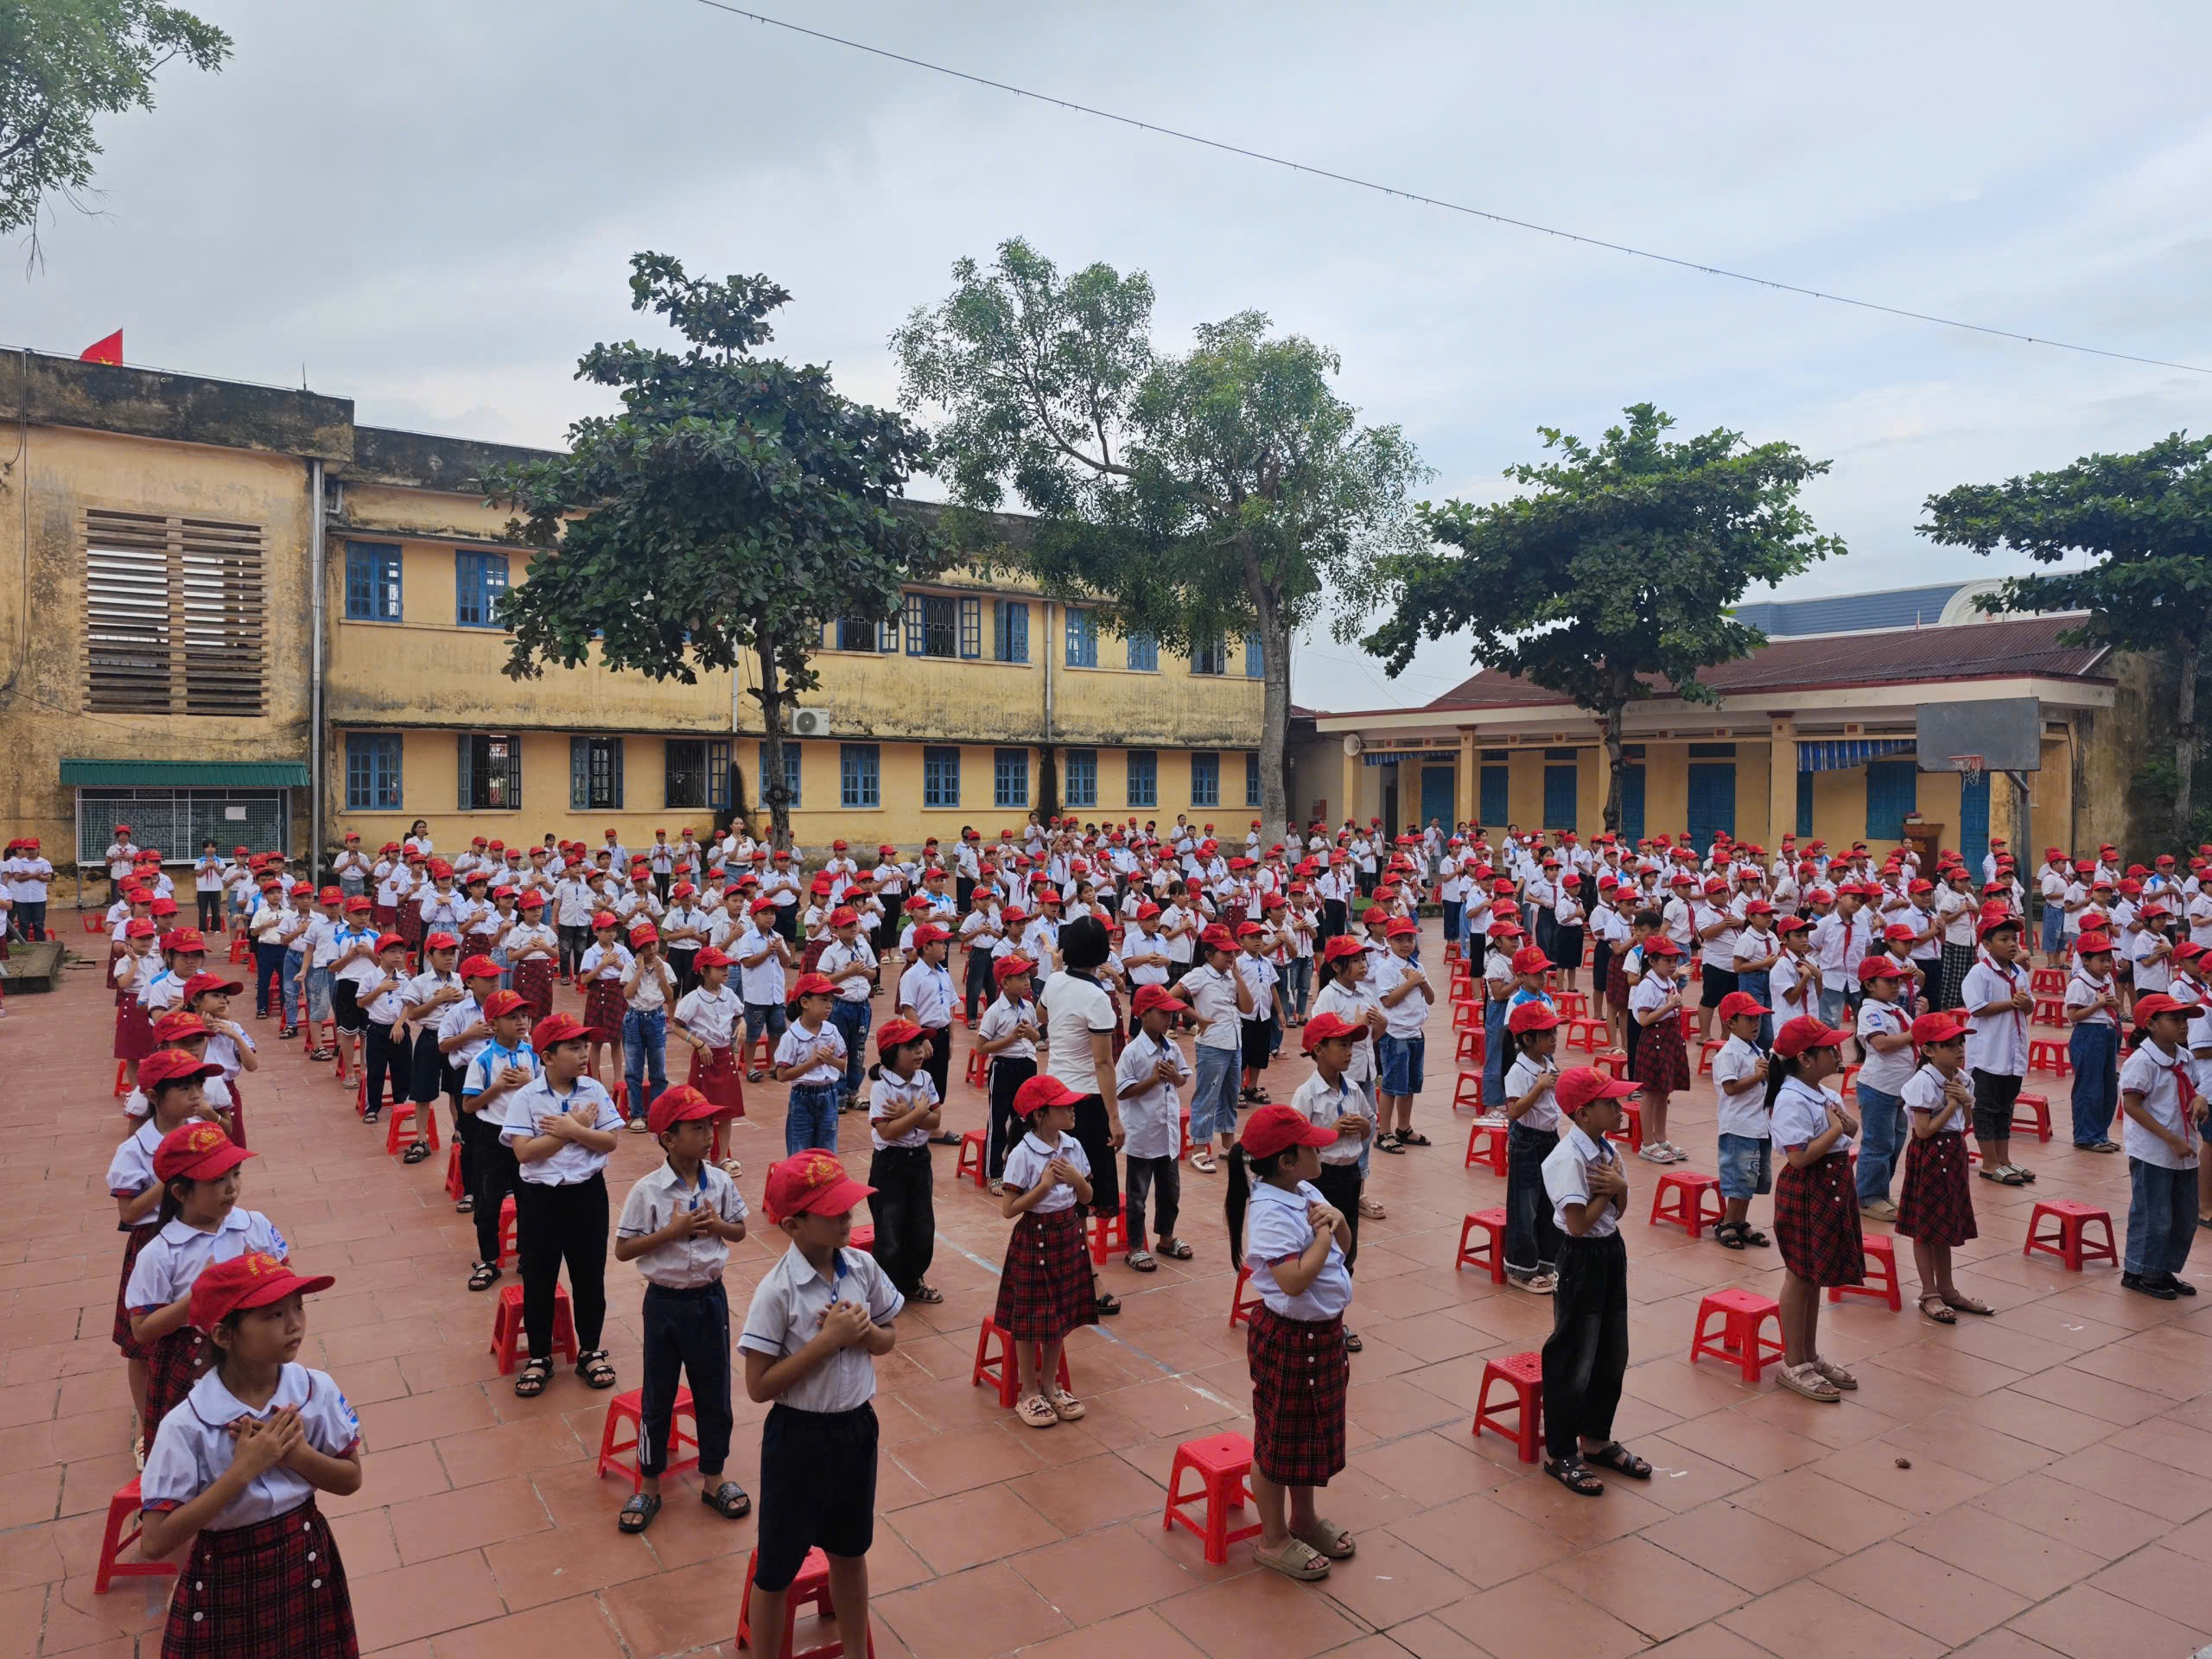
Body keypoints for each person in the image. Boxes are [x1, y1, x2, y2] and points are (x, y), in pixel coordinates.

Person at [137, 1253, 363, 1658]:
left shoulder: (316, 1390)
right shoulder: (186, 1425)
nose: (295, 1324)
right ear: (224, 1335)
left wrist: (298, 1457)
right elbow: (154, 1541)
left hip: (305, 1556)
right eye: (274, 1315)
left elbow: (351, 1479)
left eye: (298, 1308)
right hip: (225, 1574)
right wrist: (241, 1473)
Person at [737, 1152, 901, 1659]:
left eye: (848, 1208)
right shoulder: (777, 1291)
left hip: (856, 1431)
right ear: (793, 1225)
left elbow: (888, 1338)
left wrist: (864, 1333)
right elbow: (759, 1386)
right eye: (833, 1212)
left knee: (850, 1551)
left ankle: (856, 1651)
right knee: (777, 1569)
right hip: (797, 1440)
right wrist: (827, 1341)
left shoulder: (863, 1268)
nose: (848, 1219)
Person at [611, 1084, 751, 1534]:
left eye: (710, 1125)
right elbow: (624, 1250)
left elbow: (740, 1231)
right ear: (668, 1139)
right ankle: (650, 1483)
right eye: (698, 1128)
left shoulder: (722, 1182)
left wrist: (718, 1226)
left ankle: (714, 1478)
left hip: (709, 1300)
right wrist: (671, 1233)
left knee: (715, 1391)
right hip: (665, 1304)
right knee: (659, 1394)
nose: (709, 1134)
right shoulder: (648, 1190)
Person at [1231, 1103, 1355, 1583]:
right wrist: (1322, 1233)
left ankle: (1304, 1519)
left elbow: (1345, 1244)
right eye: (1311, 1147)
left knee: (1309, 1433)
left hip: (1321, 1335)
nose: (1319, 1151)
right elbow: (1294, 1281)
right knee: (1278, 1440)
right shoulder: (1269, 1212)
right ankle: (1273, 1537)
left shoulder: (1303, 1189)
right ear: (1286, 1161)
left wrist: (1337, 1220)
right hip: (1288, 1338)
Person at [126, 1123, 288, 1441]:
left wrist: (267, 1277)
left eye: (235, 1174)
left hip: (256, 1353)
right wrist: (196, 1300)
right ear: (180, 1192)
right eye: (217, 1181)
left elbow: (286, 1274)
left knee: (258, 1438)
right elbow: (141, 1330)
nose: (232, 1188)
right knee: (196, 1445)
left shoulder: (254, 1225)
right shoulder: (160, 1253)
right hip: (193, 1366)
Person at [1538, 1066, 1649, 1497]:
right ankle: (1561, 1450)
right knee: (1574, 1353)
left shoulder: (1607, 1150)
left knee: (1611, 1350)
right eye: (1610, 1103)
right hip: (1580, 1257)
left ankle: (1597, 1438)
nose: (1620, 1110)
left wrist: (1618, 1187)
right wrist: (1609, 1190)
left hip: (1610, 1250)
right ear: (1583, 1113)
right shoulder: (1567, 1159)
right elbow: (1579, 1224)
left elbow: (1619, 1211)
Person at [499, 1012, 624, 1398]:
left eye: (585, 1046)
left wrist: (573, 1128)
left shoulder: (594, 1090)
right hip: (541, 1198)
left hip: (588, 1194)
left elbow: (610, 1142)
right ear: (548, 1057)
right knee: (539, 1275)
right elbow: (524, 1153)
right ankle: (539, 1356)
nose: (584, 1053)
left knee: (589, 1274)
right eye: (573, 1047)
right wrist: (572, 1131)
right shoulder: (527, 1098)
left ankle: (590, 1350)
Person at [1765, 1016, 1862, 1402]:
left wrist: (1845, 1126)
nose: (1838, 1052)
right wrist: (1836, 1130)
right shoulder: (1790, 1099)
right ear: (1805, 1059)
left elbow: (1847, 1131)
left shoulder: (1822, 1092)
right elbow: (1799, 1157)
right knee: (1799, 1276)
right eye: (1829, 1049)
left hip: (1832, 1185)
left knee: (1815, 1275)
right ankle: (1794, 1362)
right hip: (1809, 1187)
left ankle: (1810, 1354)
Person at [995, 1076, 1099, 1427]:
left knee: (1059, 1315)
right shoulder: (1023, 1154)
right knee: (1030, 1316)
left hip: (1067, 1232)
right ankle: (1028, 1391)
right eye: (1064, 1106)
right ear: (1040, 1115)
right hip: (1035, 1236)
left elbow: (1088, 1197)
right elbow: (1009, 1209)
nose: (1073, 1109)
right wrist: (1043, 1186)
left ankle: (1051, 1386)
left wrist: (1076, 1179)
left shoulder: (1072, 1146)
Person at [1039, 915, 1126, 1316]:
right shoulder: (1097, 997)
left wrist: (1058, 973)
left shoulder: (1056, 982)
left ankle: (1067, 1270)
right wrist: (1114, 1118)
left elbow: (1042, 1017)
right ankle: (1088, 1278)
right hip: (1085, 1104)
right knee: (1081, 1194)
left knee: (1060, 1191)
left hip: (1053, 1096)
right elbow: (1103, 1063)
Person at [1896, 1011, 1993, 1322]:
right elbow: (1924, 1131)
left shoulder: (1963, 1079)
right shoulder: (1922, 1083)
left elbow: (1964, 1125)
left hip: (1953, 1152)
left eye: (1960, 1042)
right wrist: (1953, 1103)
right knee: (1926, 1228)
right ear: (1928, 1050)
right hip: (1929, 1154)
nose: (1959, 1049)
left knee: (1944, 1225)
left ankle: (1948, 1289)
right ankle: (1930, 1292)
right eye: (1949, 1045)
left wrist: (1966, 1102)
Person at [1288, 1011, 1374, 1348]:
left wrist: (1363, 1128)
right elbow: (1297, 1143)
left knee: (1346, 1250)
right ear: (1318, 1050)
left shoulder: (1353, 1090)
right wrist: (1332, 1132)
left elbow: (1369, 1126)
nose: (1349, 1052)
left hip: (1349, 1177)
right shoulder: (1307, 1094)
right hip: (1319, 1180)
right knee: (1316, 1250)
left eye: (1351, 1045)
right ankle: (1312, 1317)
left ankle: (1336, 1319)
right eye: (1342, 1045)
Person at [2120, 992, 2203, 1300]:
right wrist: (2170, 1138)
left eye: (2185, 1020)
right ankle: (2139, 1272)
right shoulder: (2142, 1061)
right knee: (2154, 1216)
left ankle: (2163, 1269)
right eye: (2175, 1020)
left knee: (2184, 1216)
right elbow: (2131, 1105)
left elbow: (2194, 1089)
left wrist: (2199, 1100)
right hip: (2154, 1152)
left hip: (2184, 1148)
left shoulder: (2185, 1057)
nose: (2183, 1026)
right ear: (2152, 1025)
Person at [456, 990, 537, 1292]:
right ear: (493, 1024)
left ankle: (528, 1255)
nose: (521, 1022)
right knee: (488, 1201)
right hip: (491, 1136)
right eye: (512, 1017)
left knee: (530, 1199)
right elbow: (468, 1106)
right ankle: (489, 1260)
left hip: (524, 1137)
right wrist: (498, 1087)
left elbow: (544, 1093)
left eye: (523, 1015)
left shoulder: (533, 1055)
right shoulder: (483, 1059)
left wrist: (530, 1083)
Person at [1116, 982, 1194, 1271]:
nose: (1169, 1019)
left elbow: (1182, 1079)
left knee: (1170, 1191)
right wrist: (1152, 1080)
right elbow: (1122, 1092)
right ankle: (1135, 1246)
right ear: (1144, 1014)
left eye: (1171, 1013)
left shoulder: (1172, 1047)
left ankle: (1166, 1237)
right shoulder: (1133, 1052)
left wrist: (1173, 1075)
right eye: (1163, 1013)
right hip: (1143, 1135)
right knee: (1137, 1196)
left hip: (1168, 1134)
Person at [865, 1018, 942, 1304]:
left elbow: (936, 1120)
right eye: (910, 1046)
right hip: (890, 1163)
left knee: (922, 1224)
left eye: (920, 1044)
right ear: (891, 1053)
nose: (920, 1051)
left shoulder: (925, 1079)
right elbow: (887, 1131)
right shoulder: (881, 1087)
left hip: (920, 1159)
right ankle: (885, 1289)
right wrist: (918, 1113)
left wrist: (909, 1114)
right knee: (889, 1227)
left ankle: (912, 1280)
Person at [1961, 913, 2037, 1186]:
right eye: (2004, 939)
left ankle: (2004, 1158)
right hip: (1988, 1054)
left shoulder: (2019, 973)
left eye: (2014, 938)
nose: (2012, 944)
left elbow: (2029, 1006)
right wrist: (2012, 1003)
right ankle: (1989, 1162)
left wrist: (2025, 1003)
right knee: (1986, 1107)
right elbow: (1977, 1008)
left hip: (2013, 1052)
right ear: (1987, 944)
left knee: (2006, 1105)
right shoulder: (1979, 973)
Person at [1500, 1001, 1565, 1293]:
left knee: (1549, 1201)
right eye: (1546, 1034)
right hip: (1526, 1140)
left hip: (1550, 1138)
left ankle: (1547, 1262)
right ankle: (1521, 1268)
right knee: (1524, 1205)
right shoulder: (1519, 1070)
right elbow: (1514, 1111)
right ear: (1527, 1039)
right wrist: (1539, 1087)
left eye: (1554, 1032)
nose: (1553, 1038)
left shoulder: (1546, 1064)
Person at [1180, 924, 1251, 1175]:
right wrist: (1197, 1017)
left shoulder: (1231, 976)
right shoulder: (1199, 975)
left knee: (1231, 1095)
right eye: (1225, 953)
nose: (1231, 957)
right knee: (1207, 1096)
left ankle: (1229, 1145)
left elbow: (1247, 1007)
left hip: (1233, 1042)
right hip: (1212, 1044)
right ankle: (1200, 1148)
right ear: (1209, 955)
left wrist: (1239, 978)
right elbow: (1171, 997)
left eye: (1232, 952)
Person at [1852, 957, 1916, 1223]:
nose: (1895, 986)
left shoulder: (1895, 1010)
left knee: (1895, 1142)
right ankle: (1867, 1197)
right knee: (1878, 1144)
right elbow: (1881, 1044)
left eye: (1897, 981)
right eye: (1888, 981)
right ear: (1869, 985)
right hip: (1879, 1088)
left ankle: (1880, 1192)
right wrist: (1915, 1033)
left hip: (1899, 1089)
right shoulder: (1870, 1011)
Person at [1709, 990, 1772, 1250]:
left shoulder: (1756, 1049)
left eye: (1758, 1019)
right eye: (1749, 1019)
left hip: (1759, 1126)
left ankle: (1741, 1221)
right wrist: (1758, 1077)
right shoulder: (1728, 1054)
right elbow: (1731, 1088)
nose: (1756, 1024)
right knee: (1738, 1180)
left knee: (1751, 1179)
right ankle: (1728, 1222)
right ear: (1731, 1023)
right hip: (1739, 1127)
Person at [976, 955, 1042, 1190]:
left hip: (1027, 1066)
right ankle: (994, 1173)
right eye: (1020, 978)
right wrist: (1011, 1038)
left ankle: (1020, 1170)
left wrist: (1032, 1035)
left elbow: (1038, 1036)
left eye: (1027, 977)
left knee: (1024, 1120)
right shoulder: (995, 1011)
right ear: (1004, 983)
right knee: (998, 1120)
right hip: (1004, 1067)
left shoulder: (1029, 1007)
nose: (1027, 982)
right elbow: (981, 1047)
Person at [1370, 917, 1433, 1152]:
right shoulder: (1386, 968)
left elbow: (1431, 998)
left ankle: (1404, 1127)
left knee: (1410, 1085)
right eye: (1400, 940)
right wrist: (1410, 983)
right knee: (1391, 1085)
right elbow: (1387, 1001)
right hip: (1395, 1034)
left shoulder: (1418, 967)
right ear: (1389, 940)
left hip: (1415, 1033)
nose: (1406, 944)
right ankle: (1384, 1132)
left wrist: (1421, 982)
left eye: (1410, 939)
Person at [1626, 938, 1689, 1162]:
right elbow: (1644, 1020)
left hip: (1669, 1038)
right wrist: (1669, 1006)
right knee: (1650, 1093)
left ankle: (1661, 1138)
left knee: (1664, 1091)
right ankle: (1647, 1143)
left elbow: (1672, 1008)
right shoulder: (1647, 985)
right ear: (1652, 961)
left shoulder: (1669, 981)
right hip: (1654, 1039)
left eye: (1674, 960)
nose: (1672, 965)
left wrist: (1676, 1006)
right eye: (1667, 960)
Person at [772, 971, 846, 1155]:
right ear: (805, 1003)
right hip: (802, 1097)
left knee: (827, 1151)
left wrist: (830, 1060)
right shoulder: (791, 1036)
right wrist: (812, 1063)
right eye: (823, 1000)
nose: (829, 1006)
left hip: (829, 1094)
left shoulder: (831, 1030)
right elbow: (782, 1075)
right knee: (800, 1151)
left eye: (831, 1001)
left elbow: (843, 1064)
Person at [2064, 931, 2124, 1153]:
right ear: (2085, 960)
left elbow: (2113, 1005)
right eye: (2102, 960)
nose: (2107, 965)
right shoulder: (2079, 983)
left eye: (2109, 960)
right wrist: (2098, 1005)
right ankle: (2085, 1136)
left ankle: (2101, 1133)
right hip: (2089, 1034)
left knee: (2108, 1086)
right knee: (2089, 1086)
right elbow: (2073, 1015)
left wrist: (2114, 1004)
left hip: (2108, 1032)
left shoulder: (2106, 980)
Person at [620, 924, 677, 1132]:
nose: (652, 949)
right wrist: (639, 971)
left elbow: (669, 997)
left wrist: (661, 975)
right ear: (638, 949)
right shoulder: (630, 967)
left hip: (656, 1017)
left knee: (658, 1069)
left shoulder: (665, 967)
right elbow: (627, 994)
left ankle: (655, 1112)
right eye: (646, 946)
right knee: (633, 1069)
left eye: (654, 943)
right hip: (634, 1018)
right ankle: (637, 1114)